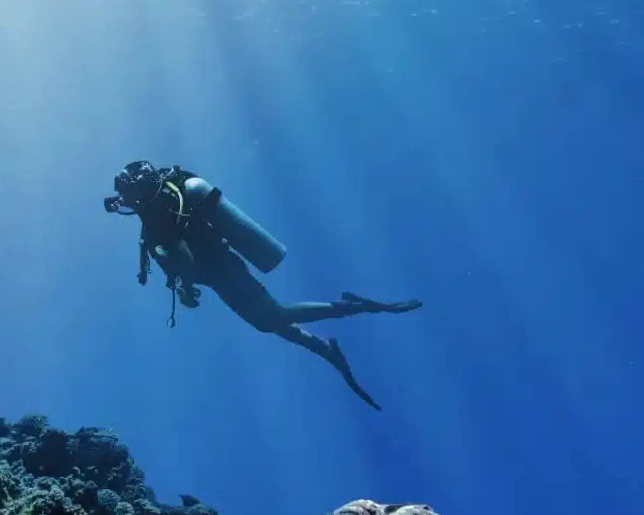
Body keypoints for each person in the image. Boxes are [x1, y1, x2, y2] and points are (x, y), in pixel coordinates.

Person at [103, 160, 422, 410]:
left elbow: (180, 261)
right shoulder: (159, 213)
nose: (126, 204)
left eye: (128, 199)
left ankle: (360, 307)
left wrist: (186, 290)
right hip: (218, 274)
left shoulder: (161, 214)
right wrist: (185, 285)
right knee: (267, 322)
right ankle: (326, 348)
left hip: (225, 270)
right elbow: (177, 259)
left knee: (274, 316)